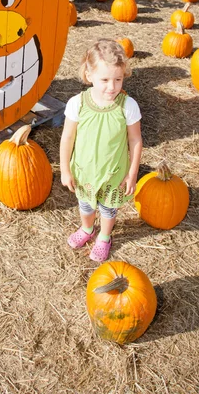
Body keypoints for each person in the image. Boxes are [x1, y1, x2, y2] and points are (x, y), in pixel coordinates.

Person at [60, 39, 142, 262]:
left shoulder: (128, 106)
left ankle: (104, 236)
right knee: (85, 205)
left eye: (118, 79)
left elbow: (135, 140)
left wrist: (132, 173)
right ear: (89, 75)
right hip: (84, 171)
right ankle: (87, 230)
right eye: (104, 79)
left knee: (107, 210)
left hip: (113, 173)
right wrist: (65, 169)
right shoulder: (78, 103)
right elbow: (67, 138)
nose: (112, 86)